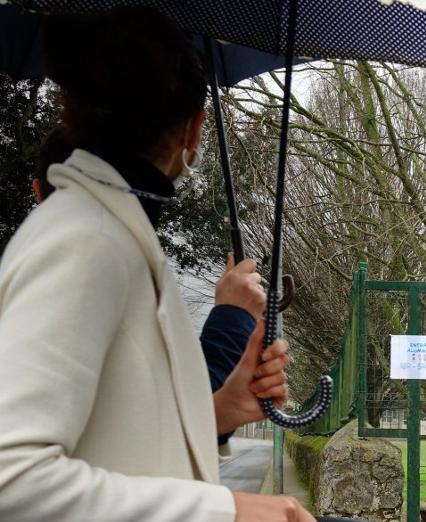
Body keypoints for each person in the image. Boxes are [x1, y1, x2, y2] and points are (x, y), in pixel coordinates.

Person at [0, 11, 319, 522]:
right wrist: (224, 507)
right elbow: (11, 471)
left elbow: (104, 433)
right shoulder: (87, 240)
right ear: (195, 127)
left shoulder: (102, 229)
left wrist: (223, 411)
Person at [34, 124, 266, 398]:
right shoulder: (89, 279)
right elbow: (179, 406)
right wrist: (233, 315)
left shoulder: (35, 271)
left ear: (38, 191)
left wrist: (227, 413)